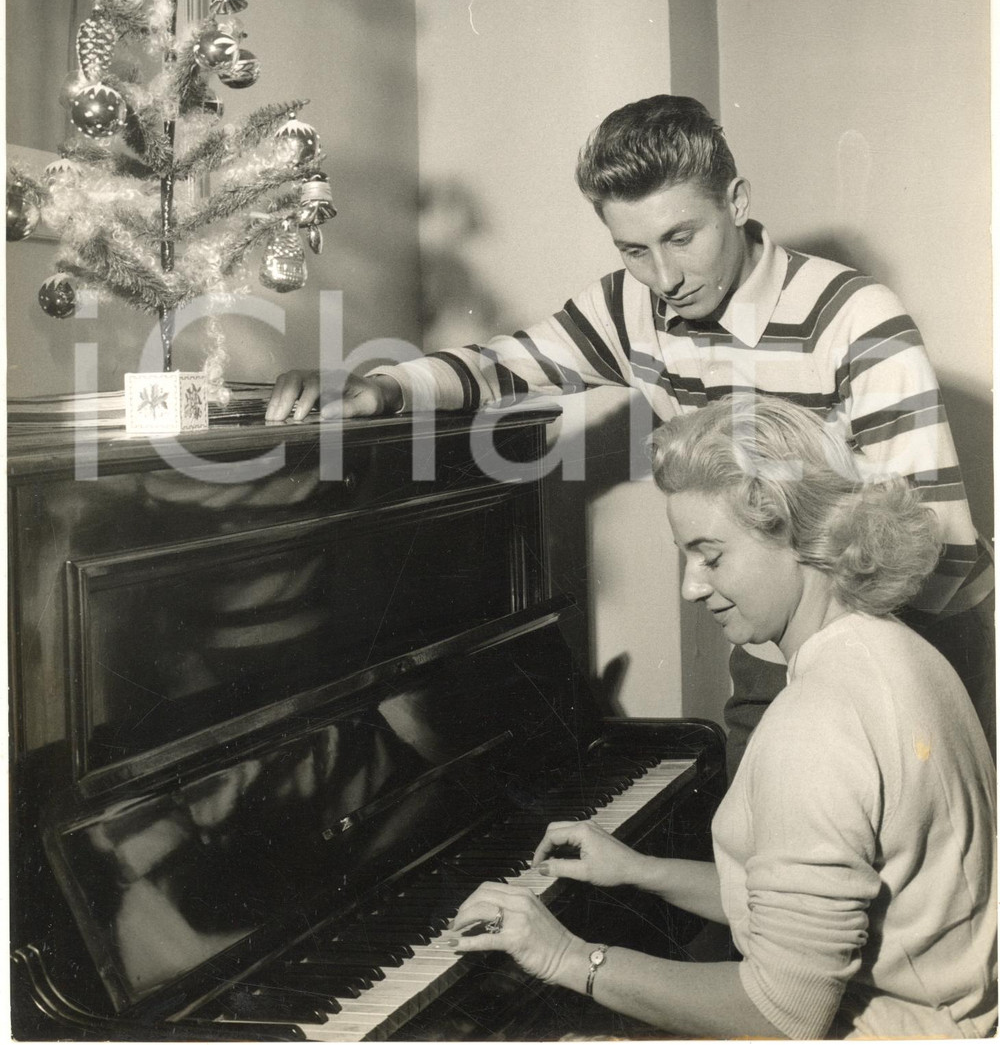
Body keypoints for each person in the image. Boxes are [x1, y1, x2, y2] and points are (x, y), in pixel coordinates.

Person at [266, 94, 994, 770]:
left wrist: (839, 688)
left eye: (681, 237)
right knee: (748, 843)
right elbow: (503, 366)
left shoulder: (857, 317)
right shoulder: (630, 309)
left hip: (915, 639)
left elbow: (933, 550)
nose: (665, 277)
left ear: (737, 201)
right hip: (775, 644)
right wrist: (382, 388)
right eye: (634, 250)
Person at [445, 397, 998, 1040]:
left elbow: (782, 1015)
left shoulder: (816, 723)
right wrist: (642, 871)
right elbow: (818, 912)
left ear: (797, 535)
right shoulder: (895, 648)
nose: (691, 586)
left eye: (711, 555)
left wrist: (565, 956)